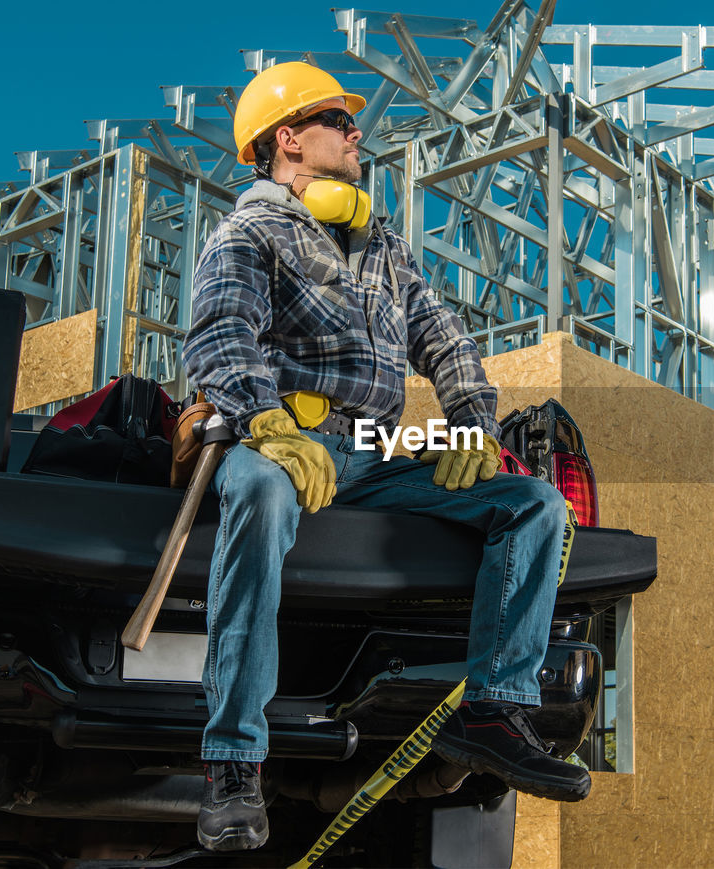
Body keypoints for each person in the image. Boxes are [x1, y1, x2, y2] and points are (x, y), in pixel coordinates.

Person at [181, 61, 590, 852]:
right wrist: (268, 423)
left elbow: (446, 340)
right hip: (279, 446)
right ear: (289, 139)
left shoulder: (384, 247)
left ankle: (491, 712)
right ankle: (232, 762)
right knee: (261, 494)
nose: (356, 130)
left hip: (368, 453)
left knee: (533, 503)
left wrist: (473, 425)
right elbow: (219, 332)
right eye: (339, 119)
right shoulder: (248, 232)